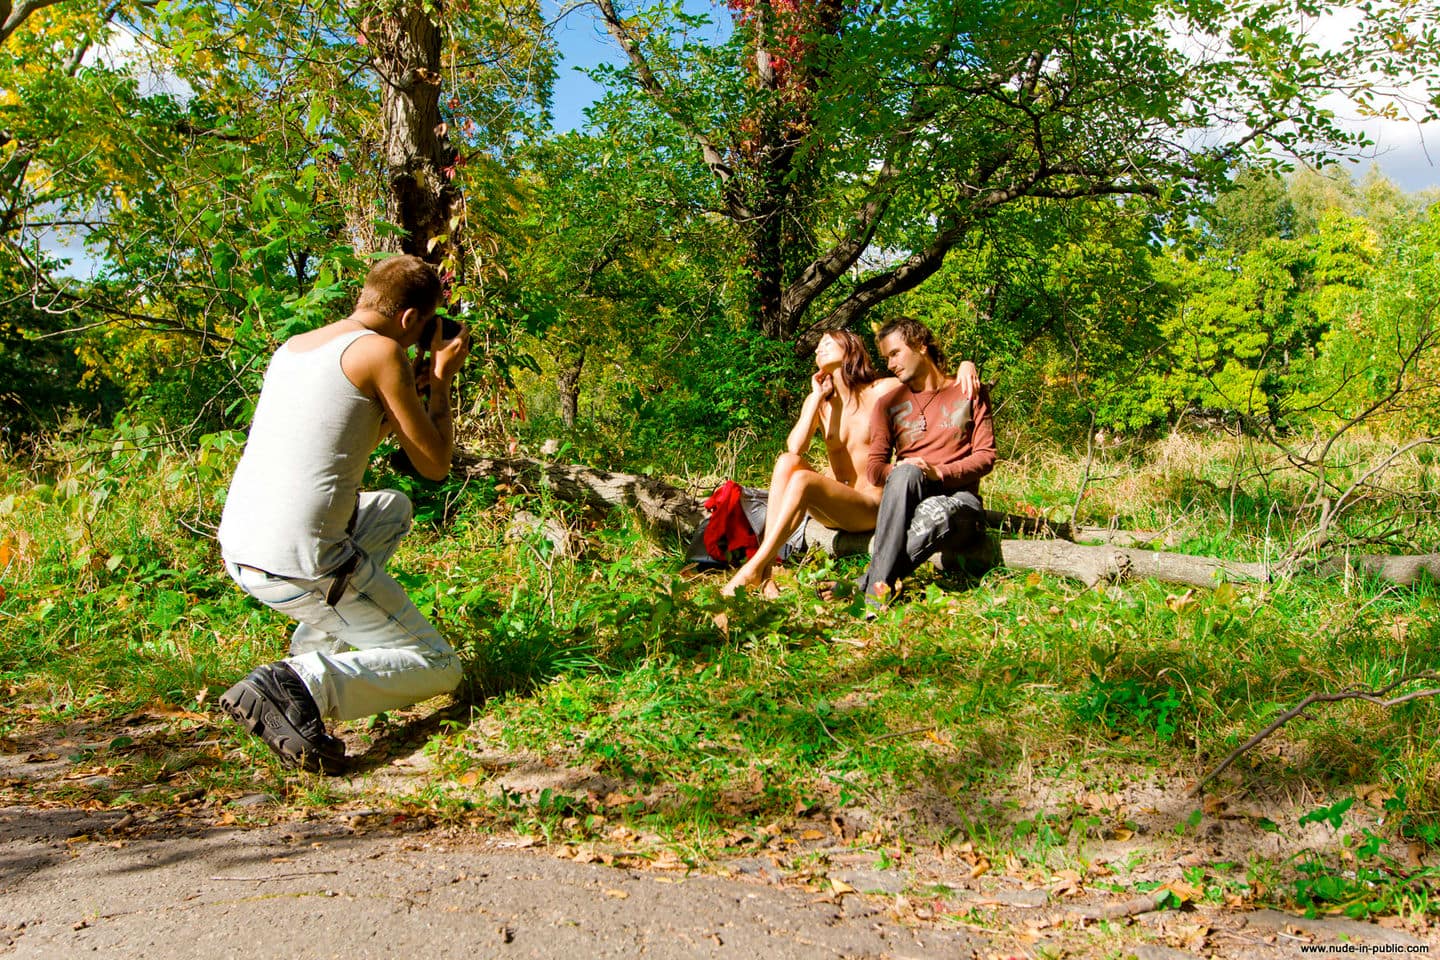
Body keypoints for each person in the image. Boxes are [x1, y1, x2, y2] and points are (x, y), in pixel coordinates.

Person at [215, 254, 470, 772]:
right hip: (302, 563)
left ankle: (309, 657)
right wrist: (441, 383)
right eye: (423, 327)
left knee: (391, 507)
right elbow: (436, 465)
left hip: (243, 548)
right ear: (409, 318)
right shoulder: (381, 351)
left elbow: (350, 439)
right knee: (441, 666)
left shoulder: (297, 346)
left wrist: (408, 392)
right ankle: (299, 685)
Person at [722, 329, 978, 598]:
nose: (819, 349)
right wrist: (816, 397)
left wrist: (966, 365)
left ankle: (752, 570)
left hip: (870, 507)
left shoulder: (882, 390)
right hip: (835, 507)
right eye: (818, 346)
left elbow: (930, 380)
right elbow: (795, 448)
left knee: (802, 479)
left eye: (827, 343)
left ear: (850, 348)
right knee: (788, 462)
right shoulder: (821, 404)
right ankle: (765, 575)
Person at [855, 316, 995, 604]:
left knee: (938, 511)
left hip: (960, 505)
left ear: (920, 345)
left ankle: (866, 590)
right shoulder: (888, 404)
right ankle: (876, 593)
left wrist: (939, 473)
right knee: (906, 473)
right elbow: (874, 470)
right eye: (887, 358)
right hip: (908, 502)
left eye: (895, 353)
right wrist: (902, 469)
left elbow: (986, 456)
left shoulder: (968, 391)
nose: (890, 364)